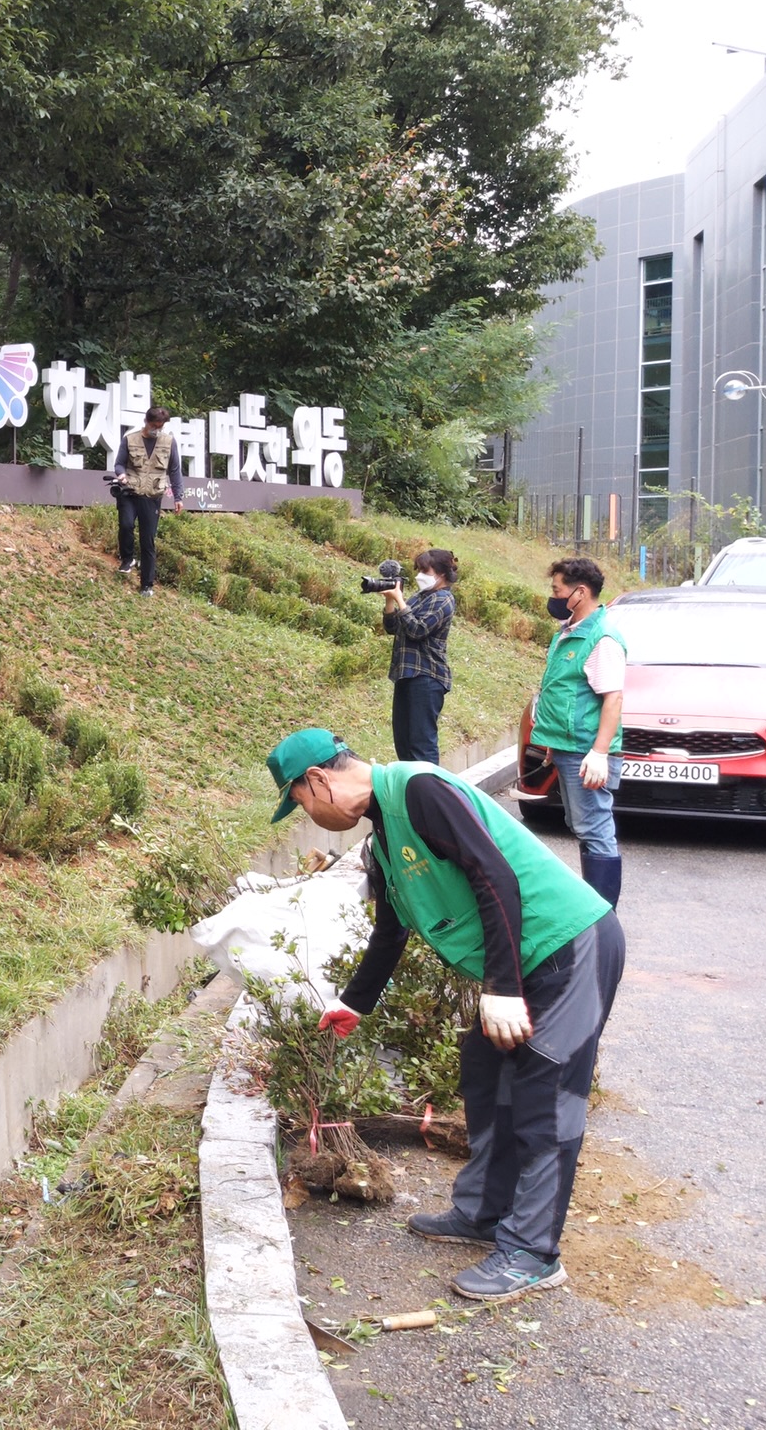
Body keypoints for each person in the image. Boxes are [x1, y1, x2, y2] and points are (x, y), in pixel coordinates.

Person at [267, 727, 623, 1302]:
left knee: (544, 1097)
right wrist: (353, 1003)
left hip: (567, 946)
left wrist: (502, 988)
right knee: (485, 1072)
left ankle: (534, 1253)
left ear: (317, 780)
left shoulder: (419, 790)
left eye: (300, 802)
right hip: (524, 960)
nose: (305, 814)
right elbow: (390, 930)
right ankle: (484, 1213)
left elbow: (494, 876)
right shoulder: (382, 840)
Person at [531, 557, 624, 905]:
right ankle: (594, 909)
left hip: (588, 751)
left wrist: (600, 753)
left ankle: (602, 917)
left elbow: (612, 698)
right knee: (583, 827)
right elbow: (568, 691)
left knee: (595, 830)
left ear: (580, 592)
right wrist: (554, 742)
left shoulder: (602, 638)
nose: (553, 596)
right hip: (570, 747)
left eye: (557, 589)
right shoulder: (571, 631)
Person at [382, 549, 459, 764]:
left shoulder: (443, 599)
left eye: (425, 570)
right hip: (406, 675)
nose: (419, 576)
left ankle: (428, 793)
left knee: (421, 745)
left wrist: (401, 601)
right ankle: (411, 793)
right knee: (403, 742)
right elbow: (393, 627)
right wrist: (390, 601)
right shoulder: (419, 597)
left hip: (427, 677)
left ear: (441, 574)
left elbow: (418, 630)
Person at [111, 405, 185, 595]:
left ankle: (146, 585)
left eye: (160, 426)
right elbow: (119, 463)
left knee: (148, 540)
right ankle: (127, 558)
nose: (157, 429)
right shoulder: (130, 439)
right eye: (154, 425)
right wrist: (121, 475)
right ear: (146, 421)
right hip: (130, 491)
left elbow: (175, 470)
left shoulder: (169, 442)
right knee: (126, 524)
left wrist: (178, 497)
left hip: (152, 496)